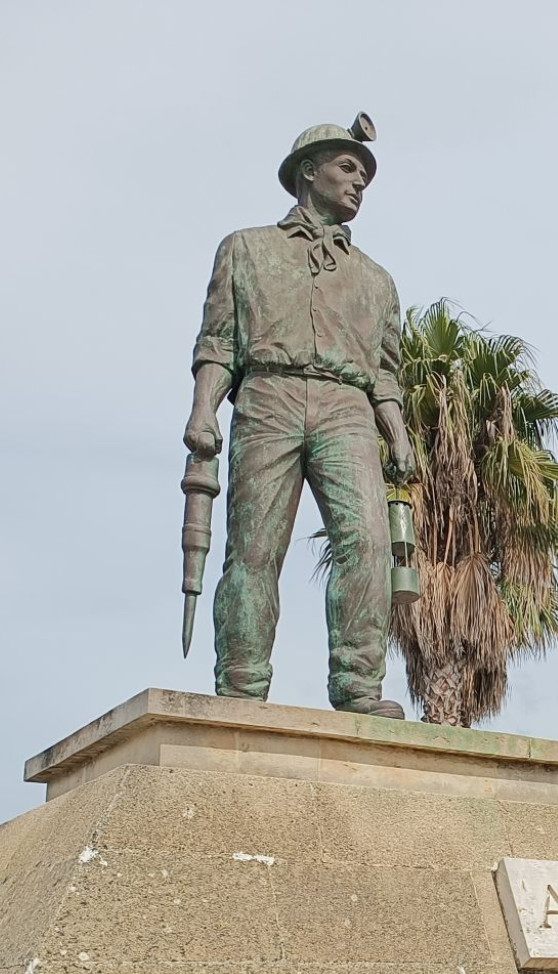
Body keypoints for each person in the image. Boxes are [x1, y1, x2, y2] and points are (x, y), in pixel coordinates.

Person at [184, 118, 416, 716]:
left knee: (365, 542)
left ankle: (359, 687)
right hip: (268, 396)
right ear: (308, 172)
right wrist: (203, 411)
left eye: (365, 174)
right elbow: (218, 342)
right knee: (254, 550)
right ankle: (241, 686)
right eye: (348, 167)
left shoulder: (377, 280)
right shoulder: (245, 248)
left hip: (348, 407)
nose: (359, 182)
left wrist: (397, 431)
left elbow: (385, 370)